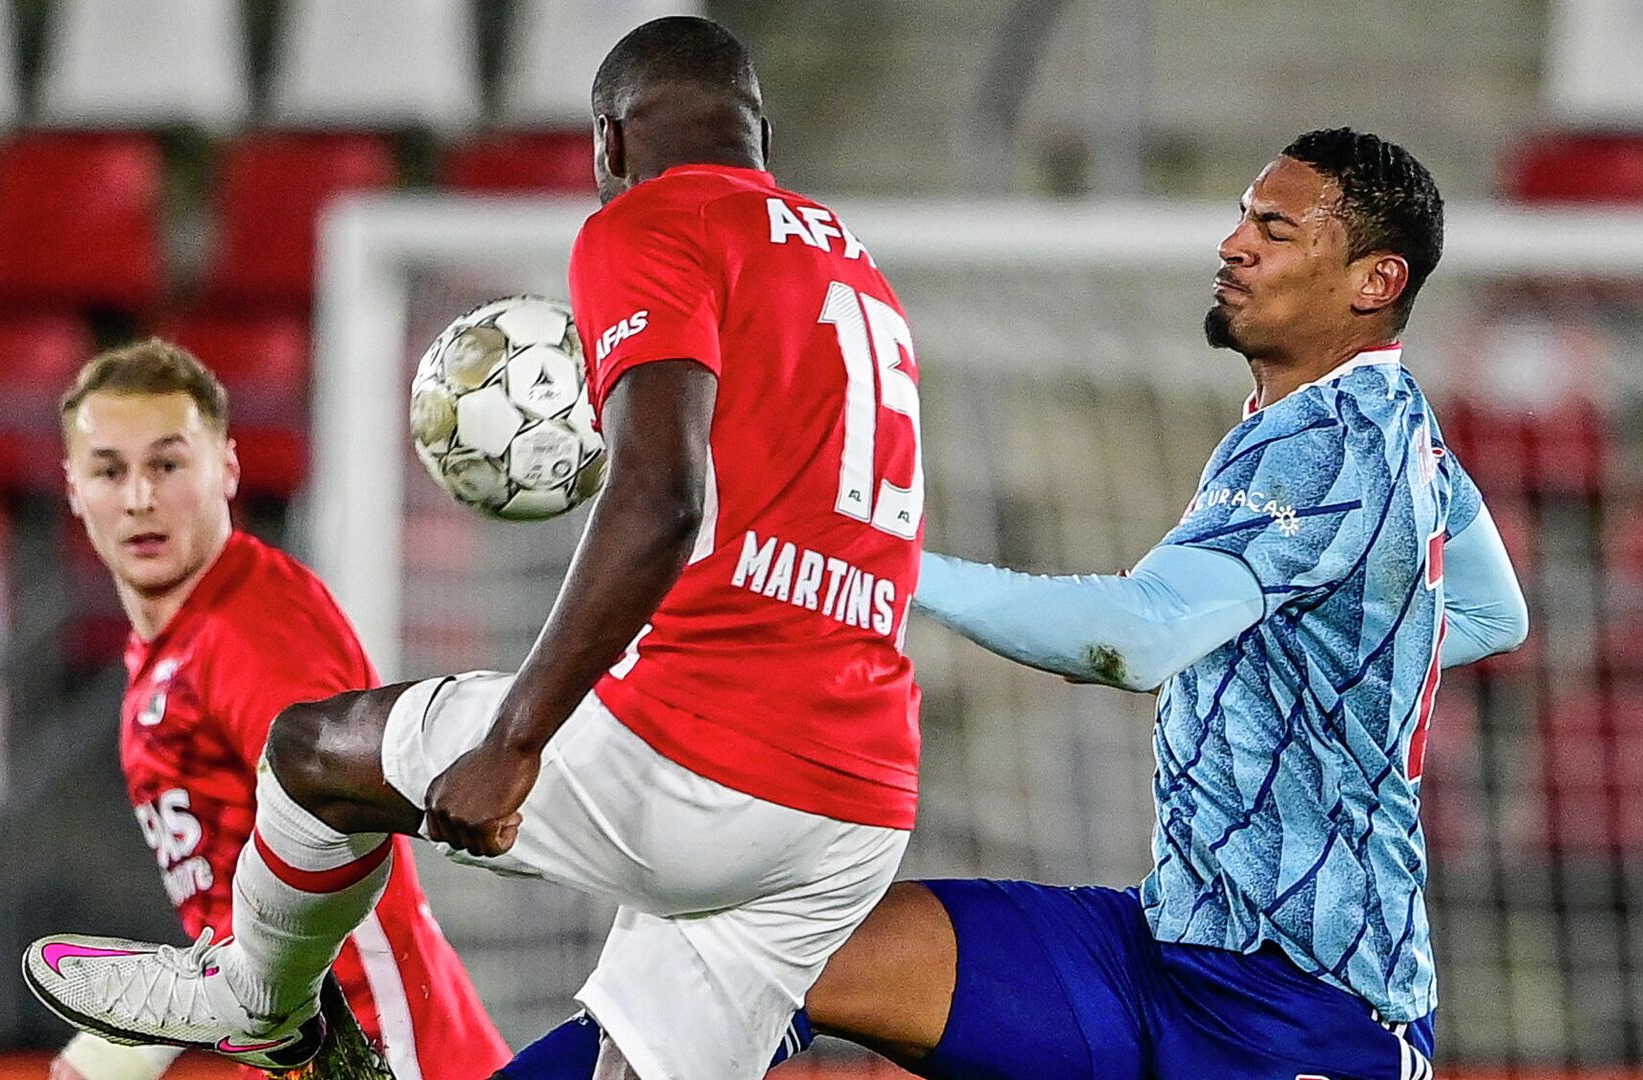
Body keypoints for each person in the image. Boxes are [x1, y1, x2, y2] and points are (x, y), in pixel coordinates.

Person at [501, 128, 1529, 1080]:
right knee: (757, 954)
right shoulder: (1390, 422)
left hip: (1307, 1011)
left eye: (1275, 229)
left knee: (745, 956)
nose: (1234, 244)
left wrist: (887, 566)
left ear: (1375, 280)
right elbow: (1490, 613)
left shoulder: (1330, 441)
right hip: (1161, 950)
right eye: (1241, 216)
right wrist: (1345, 655)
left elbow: (1137, 639)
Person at [23, 15, 927, 1080]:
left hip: (713, 765)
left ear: (607, 143)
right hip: (857, 810)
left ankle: (255, 995)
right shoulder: (857, 271)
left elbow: (660, 496)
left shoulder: (649, 223)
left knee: (311, 753)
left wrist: (516, 738)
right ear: (760, 138)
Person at [43, 341, 510, 1080]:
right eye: (109, 470)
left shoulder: (250, 631)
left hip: (383, 1046)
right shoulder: (179, 640)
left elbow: (335, 826)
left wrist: (150, 1029)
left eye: (167, 464)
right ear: (72, 487)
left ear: (226, 467)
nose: (139, 497)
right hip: (304, 1046)